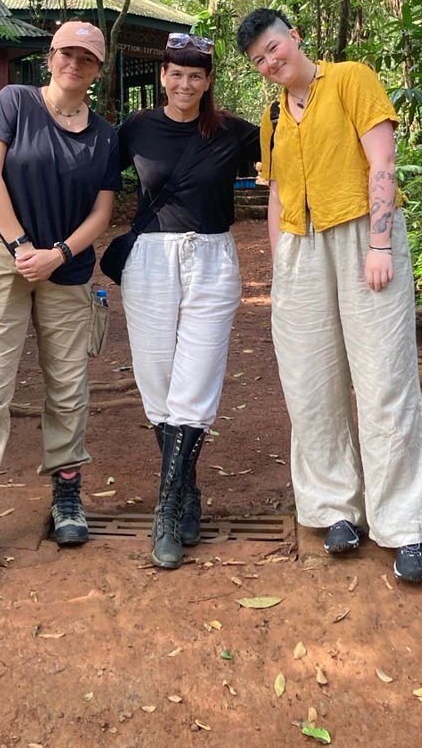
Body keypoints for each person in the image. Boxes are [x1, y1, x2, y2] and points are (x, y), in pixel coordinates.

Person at [235, 9, 422, 583]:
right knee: (310, 382)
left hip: (361, 236)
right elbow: (273, 196)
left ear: (294, 38)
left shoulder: (351, 78)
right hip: (300, 248)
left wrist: (380, 245)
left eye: (275, 48)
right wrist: (279, 266)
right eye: (260, 60)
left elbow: (383, 162)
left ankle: (404, 526)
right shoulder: (273, 116)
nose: (272, 62)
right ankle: (333, 509)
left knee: (384, 379)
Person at [0, 21, 121, 589]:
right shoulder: (14, 102)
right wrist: (23, 246)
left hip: (65, 269)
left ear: (98, 69)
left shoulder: (105, 134)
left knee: (68, 384)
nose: (75, 64)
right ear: (51, 57)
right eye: (67, 53)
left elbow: (103, 211)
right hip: (2, 258)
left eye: (87, 58)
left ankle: (67, 490)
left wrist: (58, 252)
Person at [116, 32, 259, 569]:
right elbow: (95, 179)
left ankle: (167, 508)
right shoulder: (135, 128)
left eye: (195, 75)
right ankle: (189, 489)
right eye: (176, 73)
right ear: (162, 76)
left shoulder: (233, 132)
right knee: (156, 379)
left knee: (196, 379)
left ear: (208, 82)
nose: (184, 83)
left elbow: (297, 140)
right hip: (150, 259)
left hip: (212, 260)